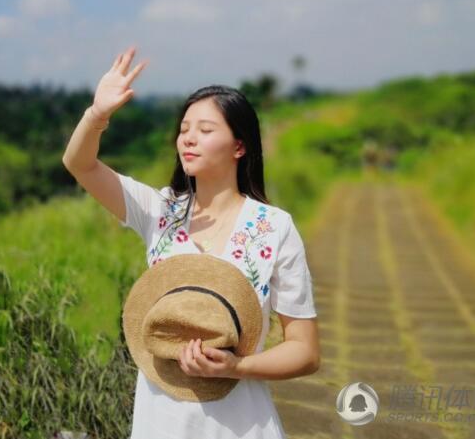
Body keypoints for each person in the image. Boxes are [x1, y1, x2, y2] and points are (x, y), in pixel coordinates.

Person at [62, 46, 321, 438]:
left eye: (205, 129)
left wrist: (236, 368)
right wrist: (97, 114)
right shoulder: (159, 210)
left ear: (240, 146)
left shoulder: (274, 227)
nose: (189, 139)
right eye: (184, 130)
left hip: (240, 424)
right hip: (160, 421)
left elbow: (305, 350)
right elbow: (79, 164)